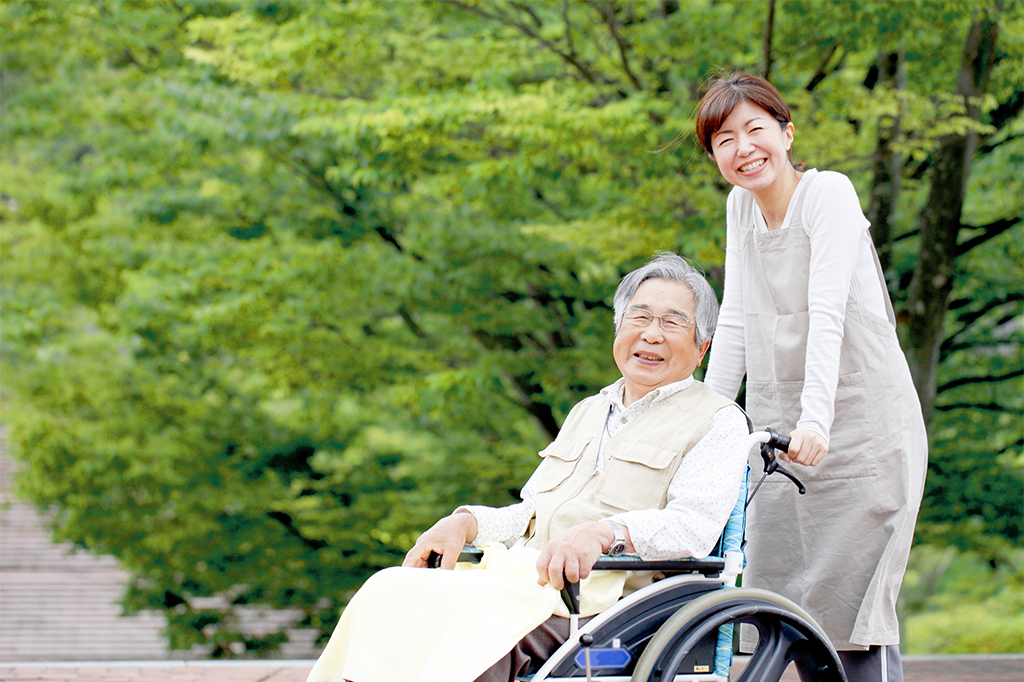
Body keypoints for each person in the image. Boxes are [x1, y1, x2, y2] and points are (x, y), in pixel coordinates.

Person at [305, 252, 750, 682]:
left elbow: (692, 528)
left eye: (672, 322)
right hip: (525, 578)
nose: (651, 334)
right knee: (392, 592)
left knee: (472, 626)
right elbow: (531, 513)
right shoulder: (588, 411)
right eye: (639, 317)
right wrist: (466, 523)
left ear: (701, 347)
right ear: (618, 330)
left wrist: (605, 532)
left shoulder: (717, 420)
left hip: (612, 601)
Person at [694, 72, 928, 682]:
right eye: (724, 139)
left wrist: (817, 420)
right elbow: (738, 318)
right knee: (782, 601)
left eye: (755, 130)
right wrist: (706, 425)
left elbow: (827, 314)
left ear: (787, 132)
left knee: (856, 607)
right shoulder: (740, 206)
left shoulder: (830, 194)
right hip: (782, 428)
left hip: (858, 421)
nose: (743, 148)